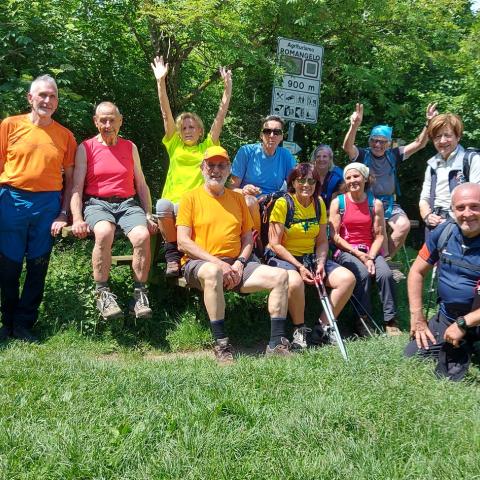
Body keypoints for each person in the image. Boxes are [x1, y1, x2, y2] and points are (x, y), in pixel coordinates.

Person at [176, 146, 290, 363]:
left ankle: (276, 344)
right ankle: (222, 344)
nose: (215, 170)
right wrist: (219, 264)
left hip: (237, 265)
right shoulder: (190, 198)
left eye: (221, 166)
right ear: (202, 168)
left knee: (280, 277)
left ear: (229, 170)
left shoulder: (237, 199)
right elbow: (183, 241)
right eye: (211, 165)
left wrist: (239, 263)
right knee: (212, 272)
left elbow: (248, 239)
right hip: (200, 264)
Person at [0, 75, 76, 342]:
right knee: (8, 266)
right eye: (42, 95)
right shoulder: (9, 126)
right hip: (11, 201)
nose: (47, 100)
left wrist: (63, 212)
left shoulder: (65, 136)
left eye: (53, 96)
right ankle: (6, 322)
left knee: (37, 266)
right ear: (30, 98)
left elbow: (70, 180)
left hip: (47, 205)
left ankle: (24, 324)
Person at [70, 102, 156, 321]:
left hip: (127, 204)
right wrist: (78, 218)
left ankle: (139, 295)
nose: (107, 125)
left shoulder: (130, 147)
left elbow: (142, 184)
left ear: (120, 121)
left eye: (112, 120)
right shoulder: (86, 148)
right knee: (104, 233)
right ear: (95, 122)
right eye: (103, 120)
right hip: (97, 204)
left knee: (142, 235)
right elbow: (77, 187)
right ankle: (103, 294)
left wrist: (148, 213)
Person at [151, 56, 232, 277]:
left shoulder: (207, 147)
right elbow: (165, 113)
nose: (187, 130)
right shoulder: (174, 144)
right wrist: (160, 81)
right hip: (172, 200)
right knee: (163, 205)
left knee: (178, 208)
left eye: (192, 127)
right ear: (179, 132)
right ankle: (171, 255)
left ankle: (182, 256)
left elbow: (220, 117)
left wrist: (227, 89)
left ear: (199, 131)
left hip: (193, 202)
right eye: (184, 127)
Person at [266, 162, 355, 349]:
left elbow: (323, 240)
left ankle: (322, 328)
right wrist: (299, 267)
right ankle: (300, 330)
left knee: (347, 278)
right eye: (301, 180)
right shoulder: (283, 204)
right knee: (295, 282)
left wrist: (321, 263)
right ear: (293, 182)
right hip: (283, 257)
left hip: (310, 257)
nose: (306, 185)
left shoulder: (319, 203)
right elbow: (275, 243)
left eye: (311, 181)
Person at [342, 103, 438, 260]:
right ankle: (378, 258)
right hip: (366, 203)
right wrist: (354, 126)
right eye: (374, 140)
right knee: (379, 231)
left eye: (382, 141)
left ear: (388, 143)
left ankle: (383, 259)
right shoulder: (362, 154)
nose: (378, 145)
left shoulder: (393, 155)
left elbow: (419, 144)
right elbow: (347, 147)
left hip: (389, 204)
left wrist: (429, 123)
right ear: (369, 141)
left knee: (403, 226)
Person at [405, 183, 480, 381]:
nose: (468, 213)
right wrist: (417, 316)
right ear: (453, 210)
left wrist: (464, 323)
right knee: (412, 354)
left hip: (473, 320)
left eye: (475, 206)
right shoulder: (444, 232)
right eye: (461, 207)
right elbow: (416, 272)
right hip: (448, 316)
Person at [330, 163, 401, 336]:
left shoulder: (375, 204)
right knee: (362, 273)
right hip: (346, 251)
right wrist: (360, 255)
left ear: (365, 178)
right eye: (348, 177)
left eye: (356, 176)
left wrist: (369, 256)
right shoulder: (338, 202)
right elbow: (335, 237)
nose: (352, 180)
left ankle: (390, 320)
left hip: (370, 251)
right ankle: (363, 319)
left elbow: (379, 236)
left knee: (385, 273)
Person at [229, 115, 296, 241]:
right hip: (247, 201)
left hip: (272, 201)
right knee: (250, 201)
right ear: (261, 135)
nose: (271, 135)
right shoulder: (246, 152)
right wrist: (244, 190)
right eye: (267, 131)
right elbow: (231, 188)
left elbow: (294, 186)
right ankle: (258, 243)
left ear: (281, 137)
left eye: (276, 132)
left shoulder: (285, 155)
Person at [419, 113, 480, 236]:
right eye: (437, 136)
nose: (442, 141)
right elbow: (424, 199)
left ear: (458, 136)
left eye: (447, 135)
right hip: (434, 227)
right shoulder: (432, 165)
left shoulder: (472, 159)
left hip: (463, 226)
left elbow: (477, 198)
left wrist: (451, 220)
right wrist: (427, 216)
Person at [310, 144, 344, 210]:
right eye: (318, 156)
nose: (321, 159)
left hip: (327, 216)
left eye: (325, 156)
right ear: (314, 159)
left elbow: (333, 208)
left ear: (330, 159)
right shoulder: (309, 177)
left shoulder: (336, 179)